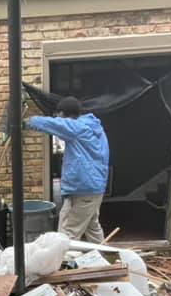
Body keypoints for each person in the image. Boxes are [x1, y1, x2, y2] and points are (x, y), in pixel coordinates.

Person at [26, 96, 109, 242]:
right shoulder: (95, 129)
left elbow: (55, 124)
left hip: (83, 189)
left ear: (64, 114)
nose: (58, 117)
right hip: (94, 189)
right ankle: (106, 257)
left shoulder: (78, 128)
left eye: (59, 114)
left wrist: (28, 121)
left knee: (68, 232)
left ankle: (63, 261)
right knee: (92, 226)